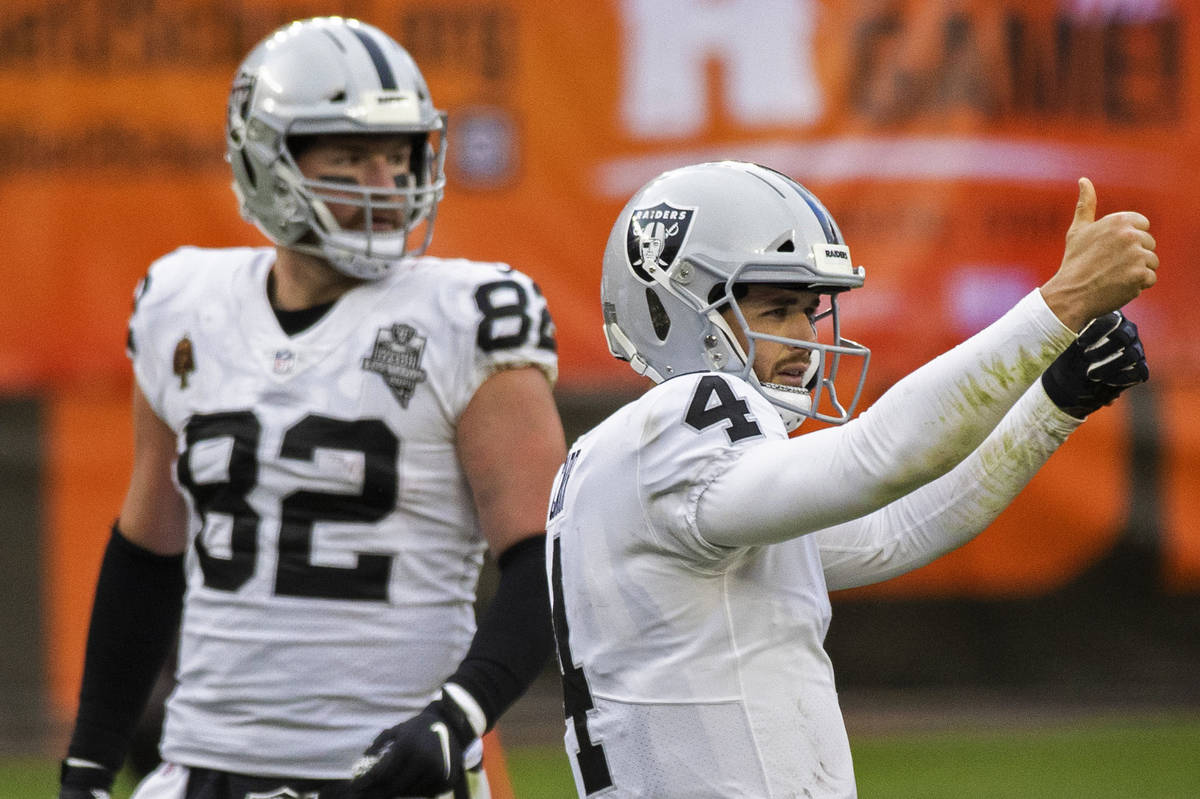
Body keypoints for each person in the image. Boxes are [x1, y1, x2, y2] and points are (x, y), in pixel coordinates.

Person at [57, 16, 566, 799]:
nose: (387, 181)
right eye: (352, 155)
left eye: (399, 155)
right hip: (202, 763)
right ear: (268, 158)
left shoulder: (469, 315)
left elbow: (548, 559)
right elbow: (147, 551)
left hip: (384, 770)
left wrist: (459, 713)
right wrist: (90, 760)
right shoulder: (181, 303)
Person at [546, 161, 1156, 798]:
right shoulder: (675, 421)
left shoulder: (641, 463)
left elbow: (895, 526)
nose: (806, 340)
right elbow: (879, 457)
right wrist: (1060, 304)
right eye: (778, 309)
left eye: (809, 312)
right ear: (675, 306)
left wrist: (1052, 402)